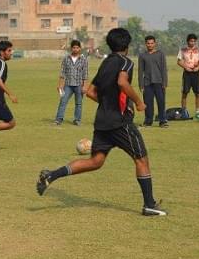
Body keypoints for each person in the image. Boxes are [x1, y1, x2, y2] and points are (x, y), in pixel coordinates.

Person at [36, 28, 167, 216]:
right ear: (127, 45)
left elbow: (89, 91)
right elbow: (123, 82)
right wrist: (138, 102)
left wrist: (107, 103)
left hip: (102, 121)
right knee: (141, 159)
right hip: (120, 122)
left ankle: (51, 175)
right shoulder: (126, 62)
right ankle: (149, 205)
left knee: (96, 161)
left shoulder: (106, 63)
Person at [54, 39, 89, 126]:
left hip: (79, 85)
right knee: (63, 101)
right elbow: (62, 73)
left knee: (78, 103)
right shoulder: (66, 59)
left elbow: (85, 73)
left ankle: (77, 120)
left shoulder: (83, 60)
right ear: (71, 48)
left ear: (80, 48)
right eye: (74, 47)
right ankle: (59, 119)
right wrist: (60, 85)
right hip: (68, 85)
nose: (75, 49)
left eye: (77, 47)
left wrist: (85, 86)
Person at [138, 35, 168, 127]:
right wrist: (141, 85)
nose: (150, 45)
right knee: (148, 103)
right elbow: (140, 71)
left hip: (159, 82)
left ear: (155, 43)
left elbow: (164, 69)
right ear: (145, 44)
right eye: (148, 43)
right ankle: (148, 121)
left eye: (152, 43)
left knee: (161, 102)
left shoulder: (160, 54)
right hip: (147, 83)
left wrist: (165, 82)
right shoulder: (142, 55)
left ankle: (162, 121)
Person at [177, 33, 199, 117]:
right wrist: (185, 67)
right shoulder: (183, 50)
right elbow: (178, 61)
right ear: (187, 41)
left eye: (194, 41)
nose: (192, 43)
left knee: (198, 93)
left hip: (196, 73)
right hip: (187, 73)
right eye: (191, 41)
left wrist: (198, 67)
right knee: (185, 92)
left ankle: (197, 111)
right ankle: (183, 111)